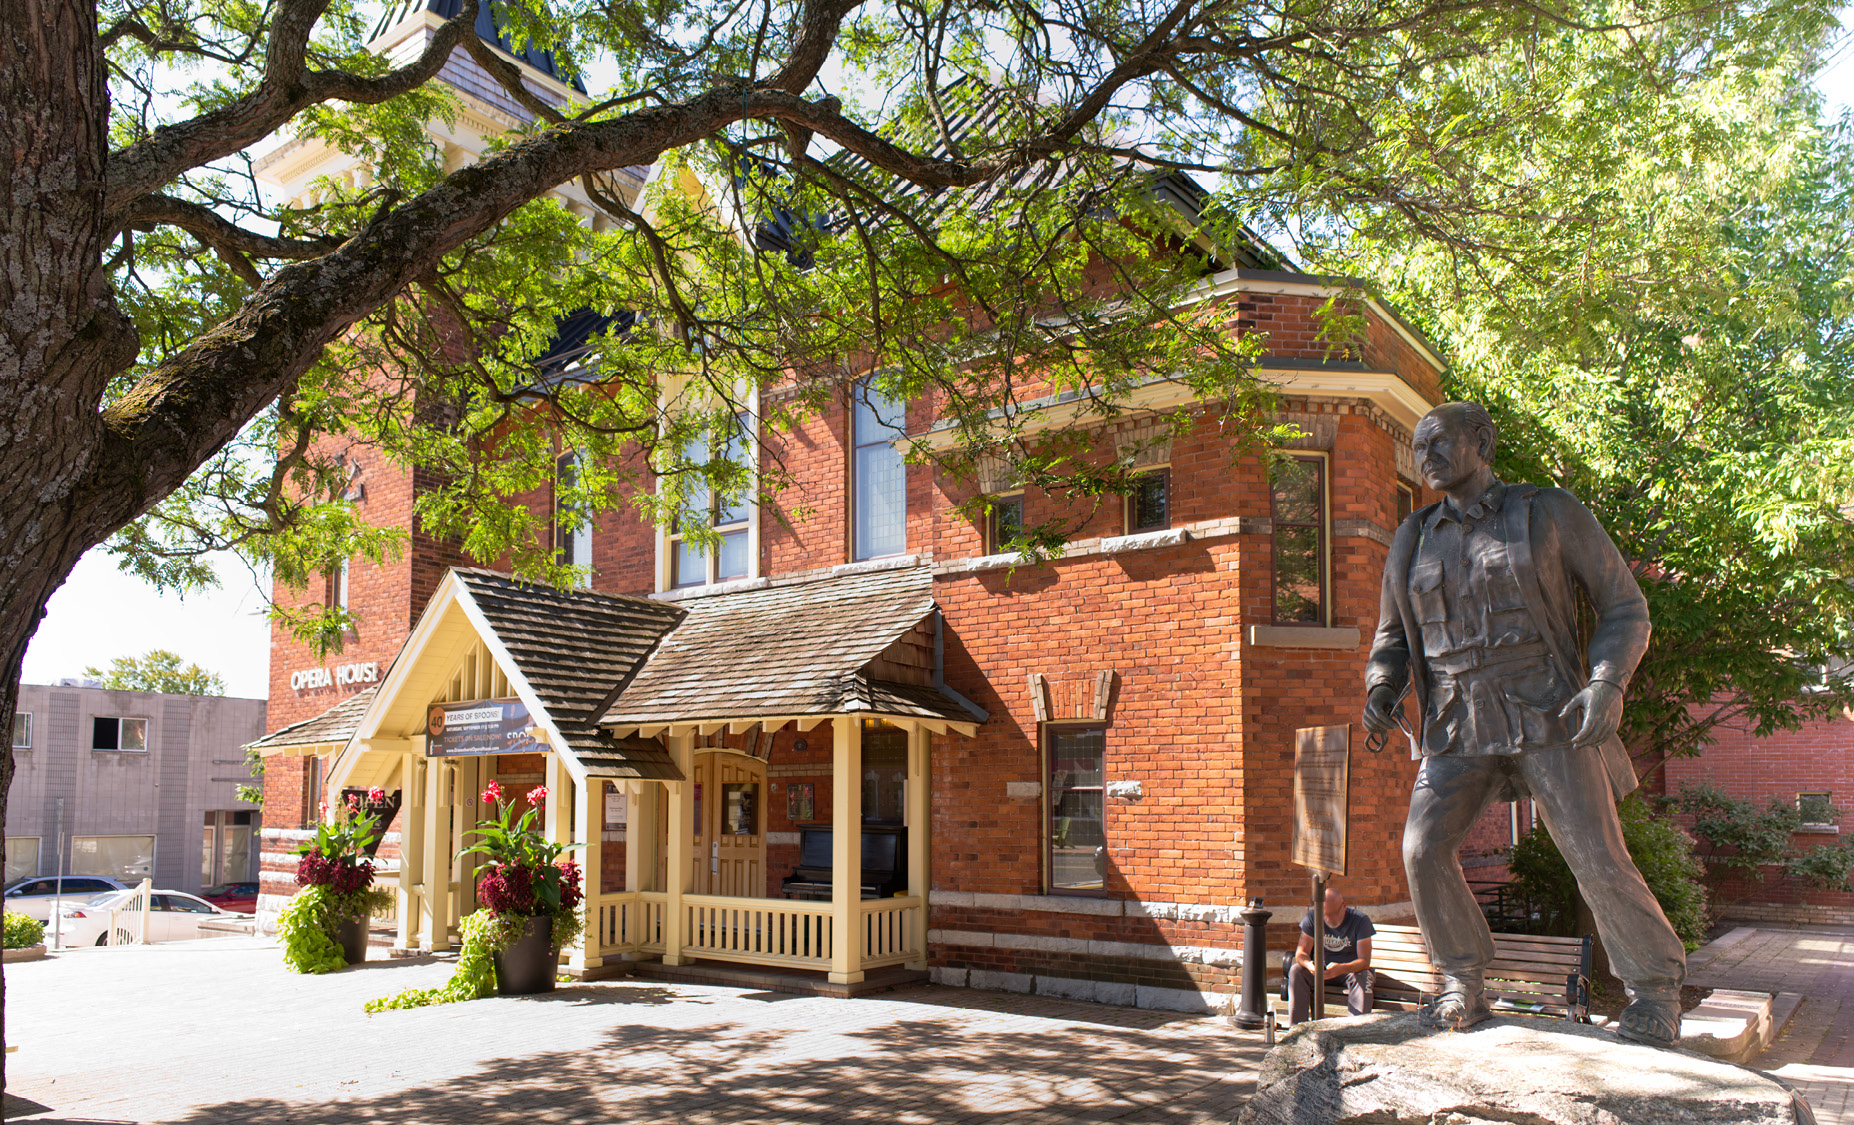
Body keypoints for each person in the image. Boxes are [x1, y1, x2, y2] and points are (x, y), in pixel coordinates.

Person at [1362, 401, 1686, 1046]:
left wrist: (1606, 682)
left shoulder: (1548, 511)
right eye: (1419, 446)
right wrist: (1381, 684)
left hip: (1547, 706)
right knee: (1422, 849)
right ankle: (1462, 983)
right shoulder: (1414, 535)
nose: (1425, 456)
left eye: (1439, 442)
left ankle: (1654, 990)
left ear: (1481, 442)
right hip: (1456, 715)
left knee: (1595, 855)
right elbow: (1391, 635)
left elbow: (1625, 606)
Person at [1288, 888, 1375, 1024]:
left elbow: (1364, 961)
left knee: (1364, 977)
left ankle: (1356, 1030)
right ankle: (1297, 1029)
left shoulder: (1360, 920)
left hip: (1349, 971)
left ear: (1344, 906)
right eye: (1325, 915)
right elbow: (1301, 953)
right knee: (1296, 971)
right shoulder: (1312, 918)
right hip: (1321, 970)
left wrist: (1342, 968)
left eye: (1334, 914)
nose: (1329, 920)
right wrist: (1309, 964)